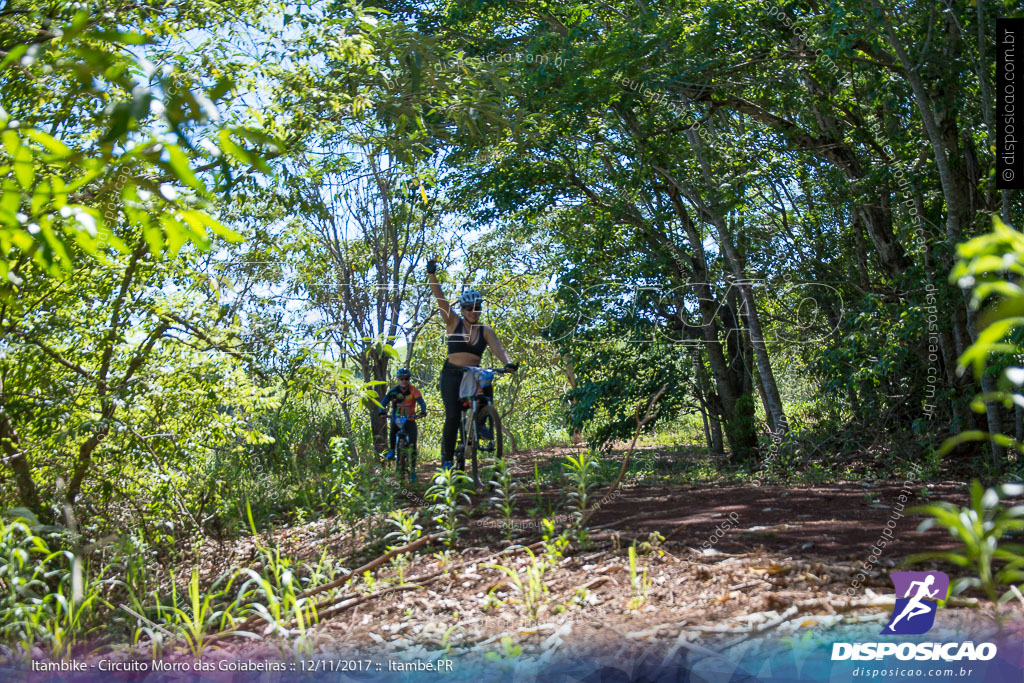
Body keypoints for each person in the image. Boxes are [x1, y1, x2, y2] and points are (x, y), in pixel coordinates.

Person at [426, 258, 517, 470]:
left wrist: (508, 363)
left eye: (477, 308)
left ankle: (483, 422)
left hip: (474, 373)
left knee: (486, 384)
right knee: (453, 415)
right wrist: (432, 275)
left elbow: (499, 349)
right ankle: (447, 460)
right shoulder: (453, 322)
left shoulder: (485, 330)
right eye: (469, 309)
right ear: (463, 309)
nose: (473, 312)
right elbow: (440, 299)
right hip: (452, 375)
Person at [378, 367, 427, 481]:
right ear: (398, 379)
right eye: (401, 379)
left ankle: (413, 470)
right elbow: (384, 402)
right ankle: (392, 450)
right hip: (397, 418)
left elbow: (421, 402)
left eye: (406, 378)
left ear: (409, 379)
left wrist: (423, 411)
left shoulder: (414, 390)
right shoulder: (393, 391)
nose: (404, 381)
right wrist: (381, 411)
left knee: (413, 445)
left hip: (410, 419)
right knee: (393, 430)